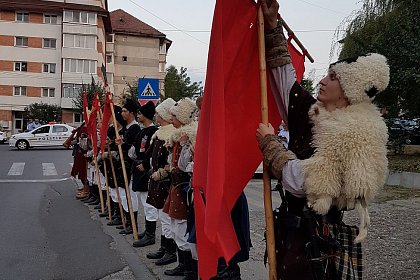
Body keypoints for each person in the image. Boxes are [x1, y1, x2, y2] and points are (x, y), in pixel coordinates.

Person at [255, 1, 389, 279]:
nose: (322, 82)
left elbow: (305, 183)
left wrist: (271, 145)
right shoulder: (316, 113)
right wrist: (272, 26)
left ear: (348, 91)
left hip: (316, 241)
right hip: (294, 233)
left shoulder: (356, 135)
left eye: (332, 77)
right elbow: (285, 82)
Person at [162, 98, 198, 279]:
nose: (171, 118)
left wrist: (184, 145)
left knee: (183, 228)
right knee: (175, 227)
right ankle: (182, 264)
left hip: (185, 188)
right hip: (175, 186)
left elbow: (185, 166)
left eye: (175, 115)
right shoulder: (177, 136)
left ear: (183, 117)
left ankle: (190, 270)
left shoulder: (191, 136)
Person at [144, 98, 178, 266]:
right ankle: (165, 248)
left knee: (167, 218)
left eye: (158, 113)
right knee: (162, 216)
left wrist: (162, 172)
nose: (155, 115)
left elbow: (172, 161)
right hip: (157, 180)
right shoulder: (159, 133)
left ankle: (170, 251)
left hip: (165, 181)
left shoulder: (171, 134)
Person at [131, 101, 159, 247]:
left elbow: (152, 152)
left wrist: (146, 164)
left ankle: (150, 234)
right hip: (139, 169)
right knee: (144, 201)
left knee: (149, 204)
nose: (138, 115)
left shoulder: (153, 131)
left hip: (146, 171)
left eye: (140, 113)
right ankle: (148, 231)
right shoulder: (143, 131)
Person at [116, 98, 141, 235]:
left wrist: (123, 144)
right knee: (125, 195)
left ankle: (133, 223)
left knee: (131, 195)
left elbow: (133, 148)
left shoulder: (135, 128)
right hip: (123, 165)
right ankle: (127, 220)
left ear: (131, 113)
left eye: (124, 111)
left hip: (130, 166)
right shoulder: (127, 127)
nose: (122, 113)